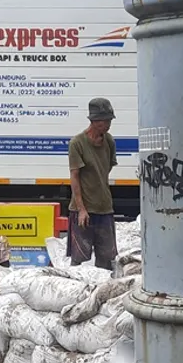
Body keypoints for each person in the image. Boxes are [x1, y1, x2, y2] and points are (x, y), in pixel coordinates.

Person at [68, 97, 119, 270]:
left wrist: (98, 186)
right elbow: (74, 177)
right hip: (84, 210)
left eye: (110, 121)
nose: (108, 125)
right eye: (105, 121)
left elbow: (107, 168)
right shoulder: (77, 143)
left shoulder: (109, 141)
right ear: (95, 121)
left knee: (107, 259)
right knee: (79, 257)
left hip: (104, 207)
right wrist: (82, 209)